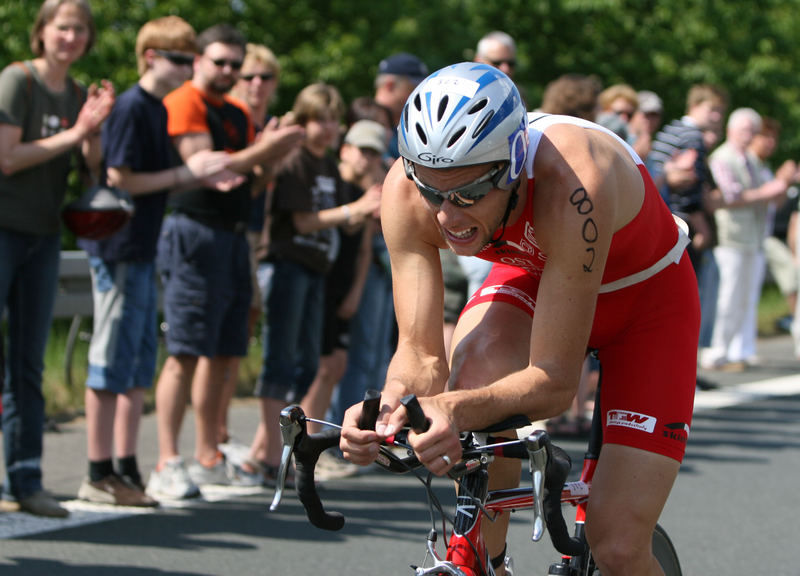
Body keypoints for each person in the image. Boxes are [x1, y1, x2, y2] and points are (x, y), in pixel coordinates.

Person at [340, 63, 699, 576]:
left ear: (511, 166)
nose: (447, 216)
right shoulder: (404, 190)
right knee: (475, 370)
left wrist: (453, 410)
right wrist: (390, 408)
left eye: (467, 194)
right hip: (538, 274)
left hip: (647, 302)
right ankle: (488, 560)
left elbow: (554, 384)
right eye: (433, 192)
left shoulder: (573, 181)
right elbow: (419, 354)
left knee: (617, 544)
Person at [76, 16, 240, 508]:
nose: (188, 67)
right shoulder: (131, 105)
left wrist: (187, 174)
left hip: (143, 247)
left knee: (135, 363)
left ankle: (125, 466)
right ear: (150, 57)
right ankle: (98, 470)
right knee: (110, 361)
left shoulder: (156, 107)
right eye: (179, 59)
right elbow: (119, 178)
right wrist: (186, 174)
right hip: (119, 247)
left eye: (191, 59)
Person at [146, 24, 305, 500]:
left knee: (225, 351)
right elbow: (206, 168)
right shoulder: (186, 101)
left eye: (235, 63)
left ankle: (208, 453)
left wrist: (269, 162)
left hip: (236, 238)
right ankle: (167, 458)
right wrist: (265, 150)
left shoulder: (236, 112)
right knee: (187, 350)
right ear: (199, 61)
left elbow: (247, 182)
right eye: (220, 62)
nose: (229, 71)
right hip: (195, 232)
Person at [0, 0, 114, 518]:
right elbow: (7, 157)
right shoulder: (18, 81)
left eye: (80, 30)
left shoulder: (74, 94)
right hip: (4, 230)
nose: (71, 37)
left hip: (43, 237)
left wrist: (92, 131)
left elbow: (91, 173)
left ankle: (26, 480)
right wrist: (74, 131)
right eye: (62, 27)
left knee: (26, 361)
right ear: (42, 32)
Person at [255, 84, 381, 484]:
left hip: (315, 270)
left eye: (332, 120)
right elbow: (302, 222)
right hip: (289, 264)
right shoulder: (295, 161)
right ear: (303, 121)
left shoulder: (325, 165)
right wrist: (353, 210)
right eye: (318, 120)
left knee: (308, 365)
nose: (327, 129)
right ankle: (271, 455)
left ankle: (288, 449)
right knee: (282, 361)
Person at [328, 54, 428, 426]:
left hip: (386, 255)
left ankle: (369, 427)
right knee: (357, 352)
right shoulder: (367, 120)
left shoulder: (399, 124)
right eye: (413, 89)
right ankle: (344, 432)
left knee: (378, 352)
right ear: (389, 86)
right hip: (363, 254)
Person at [217, 43, 286, 465]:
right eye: (249, 76)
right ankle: (218, 434)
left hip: (256, 235)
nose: (257, 84)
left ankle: (223, 434)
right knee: (227, 335)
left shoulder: (264, 125)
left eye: (266, 77)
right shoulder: (229, 120)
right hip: (231, 234)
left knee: (241, 333)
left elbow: (261, 189)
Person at [702, 108, 799, 371]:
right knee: (728, 297)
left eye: (752, 131)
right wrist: (774, 187)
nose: (750, 136)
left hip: (754, 238)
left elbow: (771, 197)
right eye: (746, 130)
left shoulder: (754, 161)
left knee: (747, 297)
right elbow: (731, 197)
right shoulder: (723, 157)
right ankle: (717, 351)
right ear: (732, 130)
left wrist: (780, 184)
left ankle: (740, 349)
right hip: (731, 237)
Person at [628, 90, 663, 159]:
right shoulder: (621, 138)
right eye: (646, 114)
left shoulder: (656, 144)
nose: (650, 120)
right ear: (634, 113)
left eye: (654, 115)